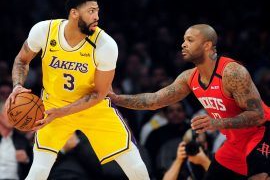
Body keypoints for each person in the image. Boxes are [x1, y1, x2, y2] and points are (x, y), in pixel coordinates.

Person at [4, 0, 149, 180]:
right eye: (91, 11)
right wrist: (17, 86)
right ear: (74, 13)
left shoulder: (105, 45)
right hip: (53, 105)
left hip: (92, 107)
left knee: (134, 164)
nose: (97, 17)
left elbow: (99, 94)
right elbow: (22, 61)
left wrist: (60, 112)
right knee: (39, 167)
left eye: (97, 11)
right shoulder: (44, 31)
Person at [108, 24, 270, 179]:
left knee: (258, 175)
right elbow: (154, 100)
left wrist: (217, 123)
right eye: (184, 40)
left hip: (263, 132)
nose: (183, 44)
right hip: (235, 142)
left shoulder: (232, 73)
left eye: (190, 40)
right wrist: (117, 99)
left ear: (207, 45)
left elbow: (258, 116)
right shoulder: (189, 77)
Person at [0, 82, 32, 180]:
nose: (12, 117)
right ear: (0, 116)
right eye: (8, 113)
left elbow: (32, 168)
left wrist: (26, 160)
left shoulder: (22, 140)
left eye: (14, 114)